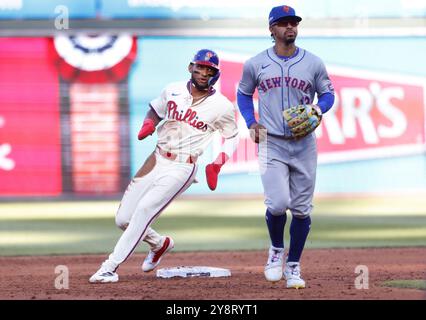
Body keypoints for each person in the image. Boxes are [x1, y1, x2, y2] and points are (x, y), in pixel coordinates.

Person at [90, 49, 239, 283]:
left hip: (182, 165)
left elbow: (232, 136)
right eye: (200, 67)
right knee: (123, 219)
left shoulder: (222, 106)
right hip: (156, 158)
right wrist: (149, 122)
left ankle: (109, 267)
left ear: (215, 74)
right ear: (191, 67)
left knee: (144, 211)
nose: (203, 73)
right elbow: (157, 109)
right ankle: (160, 244)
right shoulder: (172, 90)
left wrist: (217, 164)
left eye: (209, 70)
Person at [237, 5, 335, 288]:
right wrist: (251, 122)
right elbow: (243, 94)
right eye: (283, 23)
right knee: (278, 203)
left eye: (293, 23)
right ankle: (276, 249)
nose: (289, 28)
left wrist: (319, 108)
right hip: (271, 142)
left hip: (304, 143)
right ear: (271, 29)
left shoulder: (313, 63)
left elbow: (328, 93)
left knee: (302, 209)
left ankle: (293, 265)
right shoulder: (256, 63)